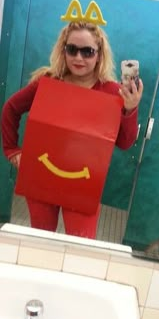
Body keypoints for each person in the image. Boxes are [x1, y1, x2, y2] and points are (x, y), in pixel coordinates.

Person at [1, 21, 143, 238]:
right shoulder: (47, 82)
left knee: (81, 245)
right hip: (42, 175)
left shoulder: (113, 92)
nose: (79, 58)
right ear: (63, 50)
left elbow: (124, 142)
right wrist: (12, 150)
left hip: (84, 184)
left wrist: (130, 110)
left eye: (87, 52)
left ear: (99, 55)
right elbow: (11, 108)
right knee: (41, 240)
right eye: (72, 49)